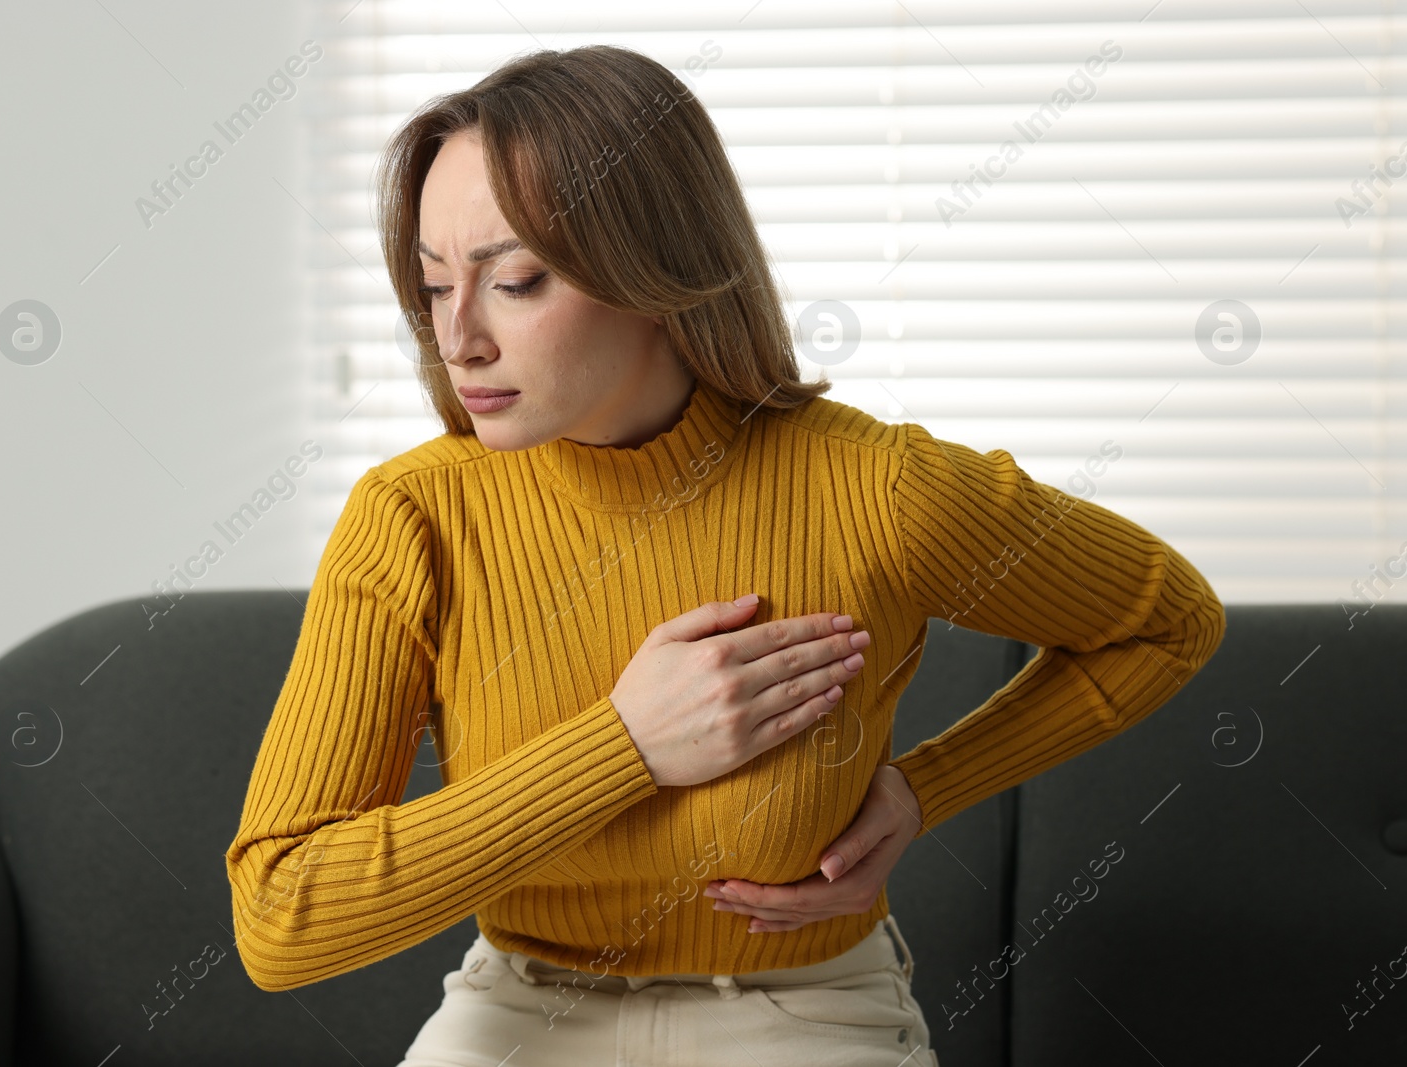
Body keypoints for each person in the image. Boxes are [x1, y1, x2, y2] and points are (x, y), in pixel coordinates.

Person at [222, 44, 1227, 1067]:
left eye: (515, 281)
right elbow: (280, 916)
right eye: (434, 287)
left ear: (654, 271)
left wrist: (925, 788)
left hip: (805, 1011)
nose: (459, 337)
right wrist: (624, 743)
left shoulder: (875, 489)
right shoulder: (412, 514)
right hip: (520, 1009)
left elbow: (1169, 620)